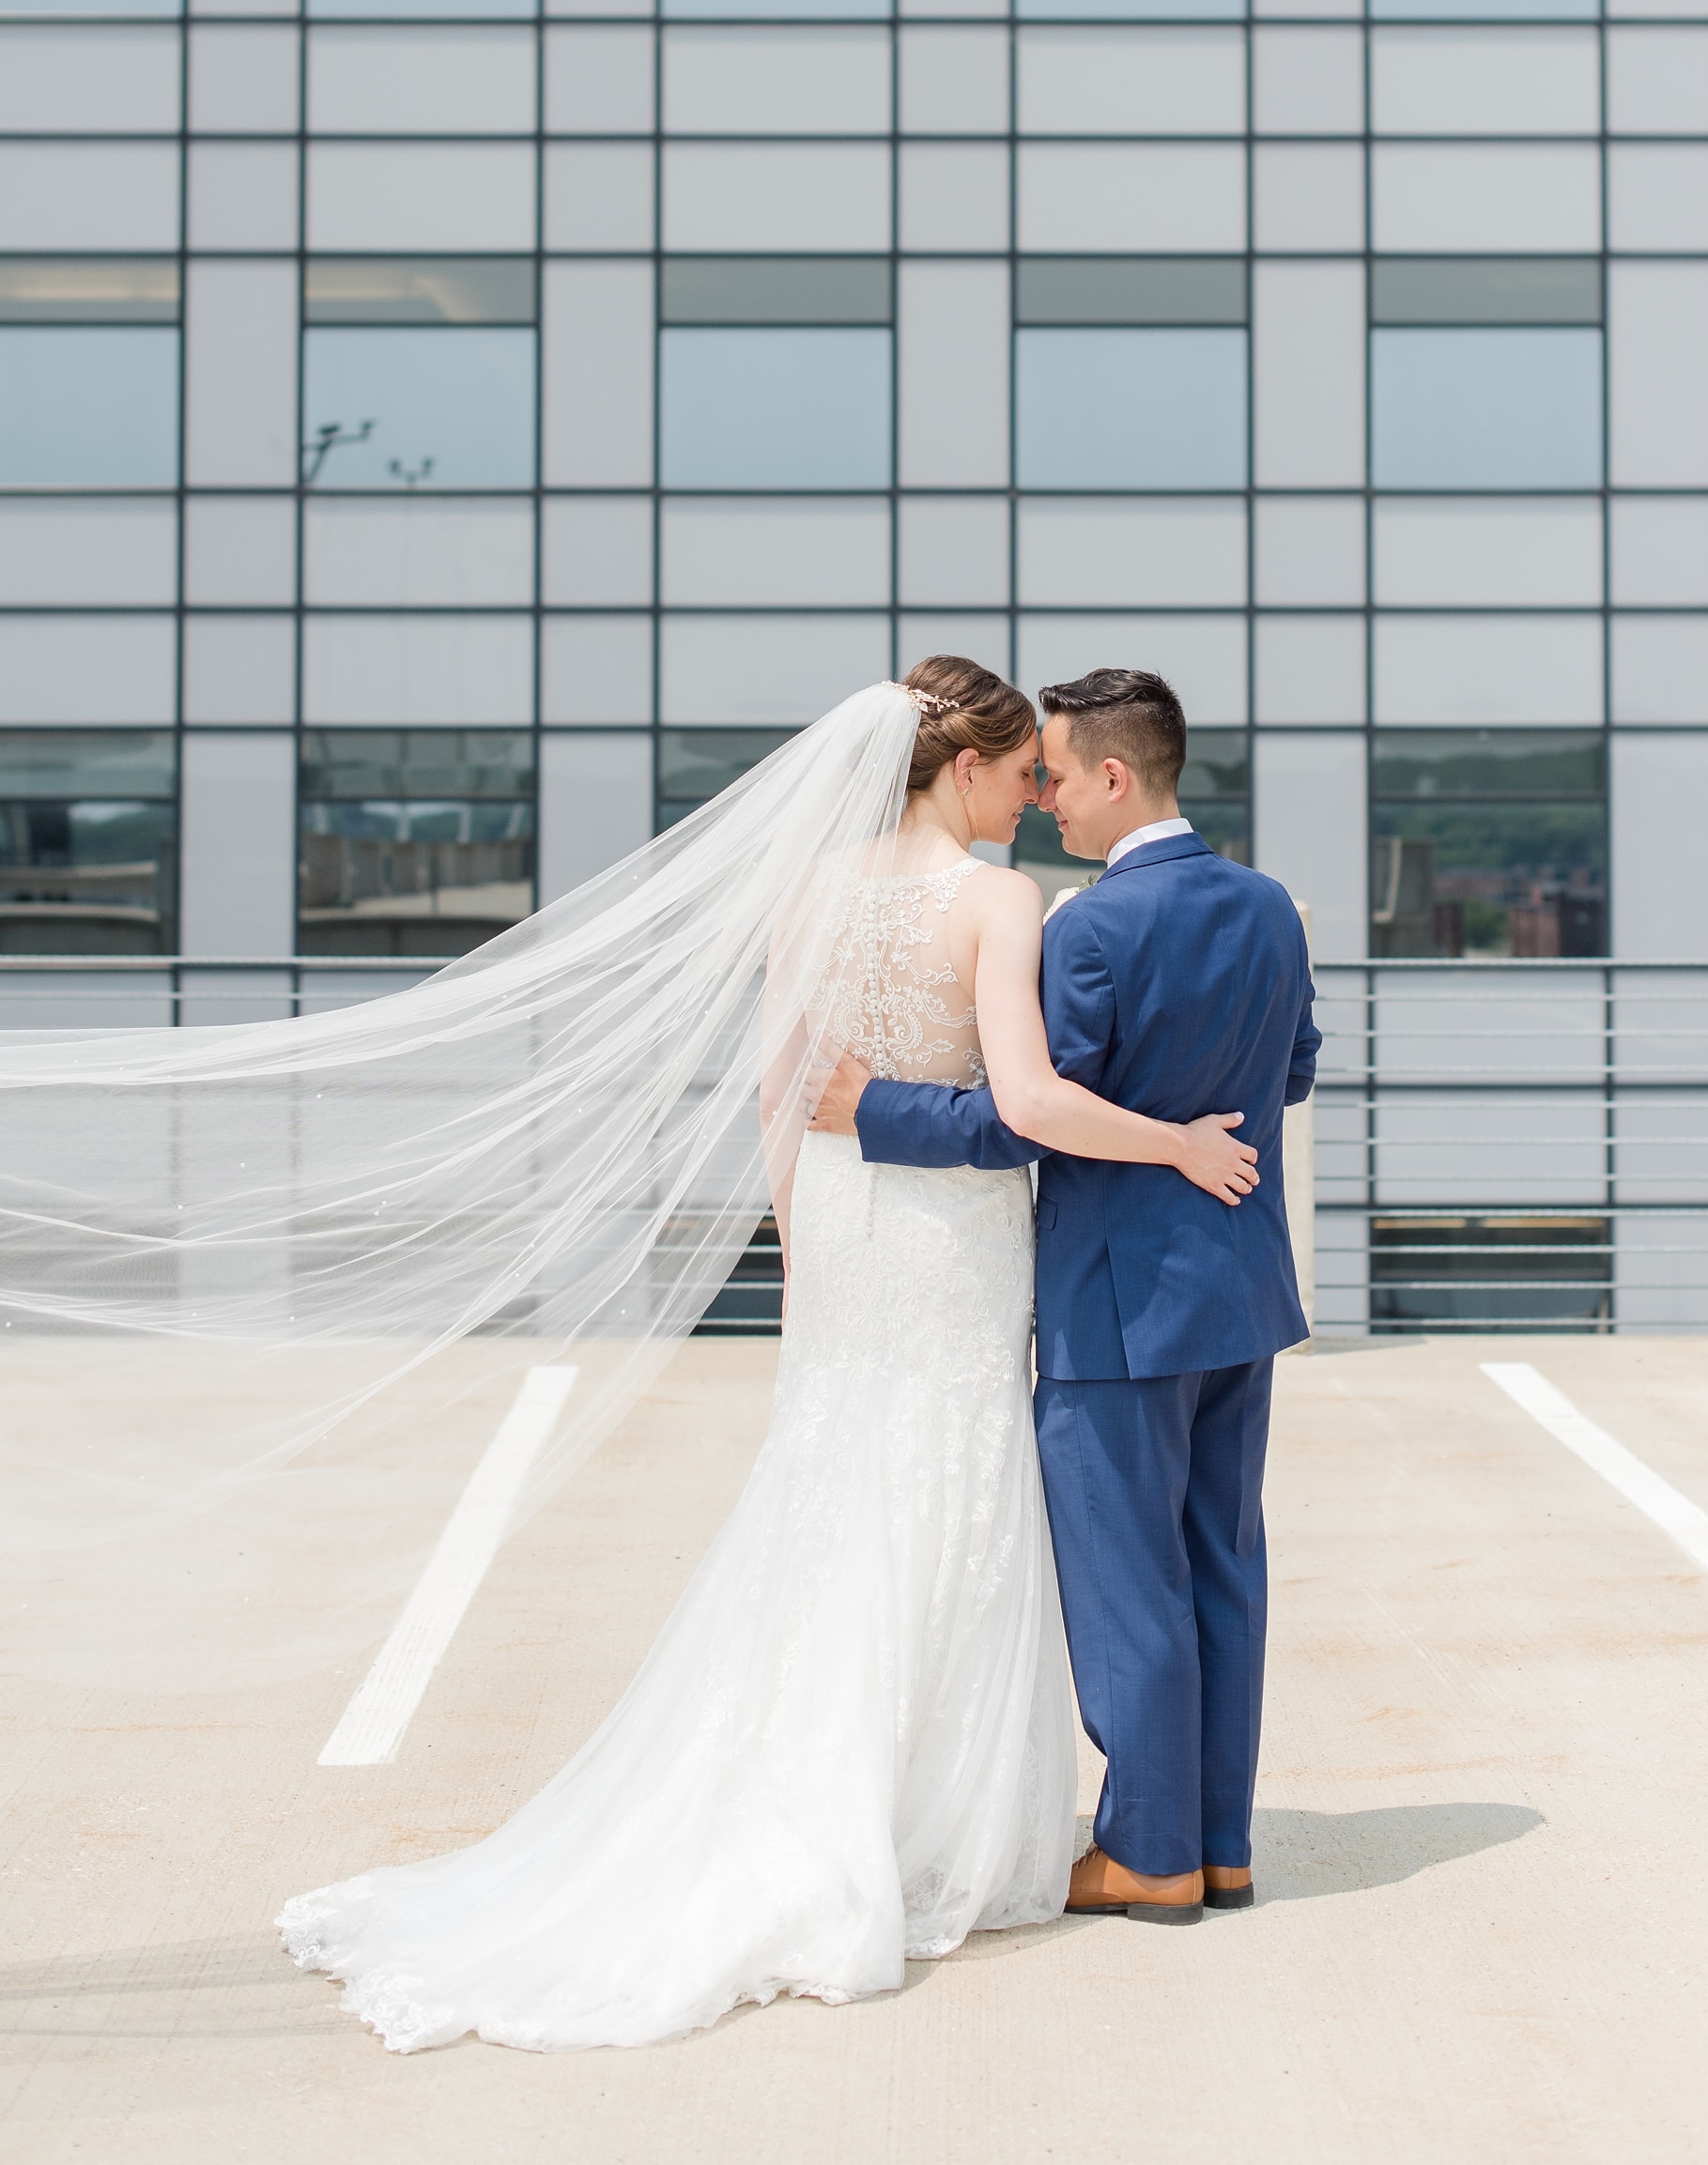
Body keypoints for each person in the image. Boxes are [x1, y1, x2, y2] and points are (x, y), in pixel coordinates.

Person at [278, 658, 1260, 2050]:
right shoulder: (1000, 903)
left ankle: (811, 1787)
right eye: (1016, 774)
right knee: (954, 1499)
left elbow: (778, 1090)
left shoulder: (808, 892)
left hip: (849, 1233)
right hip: (952, 1235)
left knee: (836, 1497)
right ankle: (931, 1821)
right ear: (964, 770)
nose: (1031, 799)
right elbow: (1031, 1100)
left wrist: (804, 1253)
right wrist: (1173, 1141)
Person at [810, 668, 1318, 1926]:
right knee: (1223, 1568)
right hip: (1241, 1291)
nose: (1039, 799)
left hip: (1116, 1304)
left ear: (1113, 775)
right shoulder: (1269, 908)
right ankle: (1220, 1843)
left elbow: (1024, 1123)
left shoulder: (1087, 928)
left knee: (1125, 1581)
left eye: (1052, 776)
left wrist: (872, 1108)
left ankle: (1149, 1853)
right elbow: (1293, 1072)